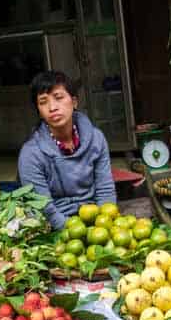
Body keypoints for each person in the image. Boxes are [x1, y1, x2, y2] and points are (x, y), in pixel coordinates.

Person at [17, 70, 117, 229]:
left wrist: (104, 224)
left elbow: (105, 189)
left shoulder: (96, 139)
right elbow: (44, 208)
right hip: (56, 226)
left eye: (58, 98)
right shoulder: (31, 154)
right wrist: (74, 232)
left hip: (97, 221)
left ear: (74, 102)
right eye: (43, 102)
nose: (52, 107)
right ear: (39, 112)